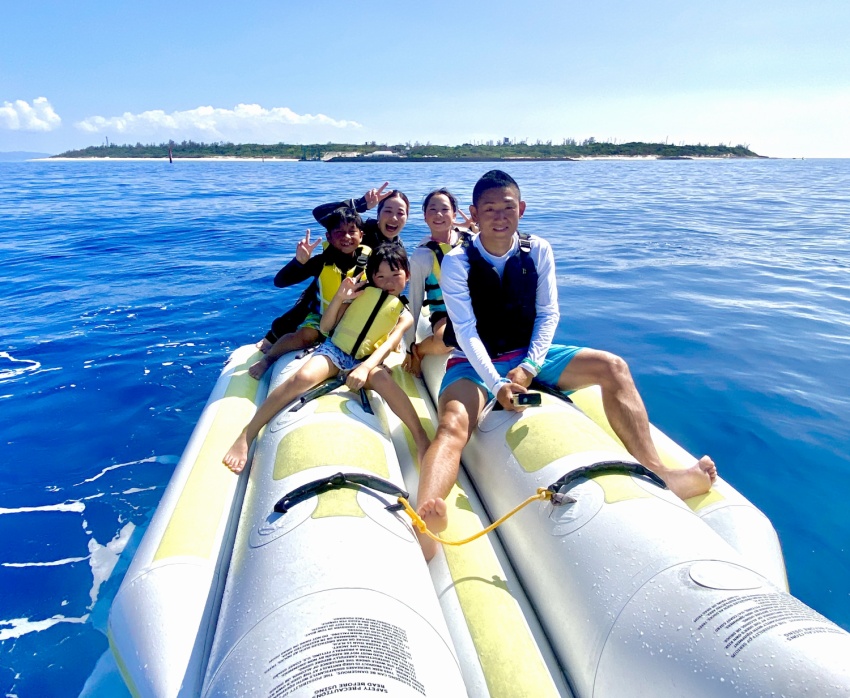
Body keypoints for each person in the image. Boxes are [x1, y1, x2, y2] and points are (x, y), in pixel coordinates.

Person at [415, 170, 717, 560]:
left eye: (507, 207)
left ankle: (657, 471)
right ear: (473, 212)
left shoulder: (537, 249)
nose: (499, 216)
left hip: (528, 354)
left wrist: (527, 367)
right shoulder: (458, 262)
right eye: (489, 209)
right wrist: (496, 384)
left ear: (521, 209)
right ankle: (427, 519)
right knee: (452, 425)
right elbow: (466, 331)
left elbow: (548, 314)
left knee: (613, 367)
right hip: (476, 362)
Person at [224, 243, 430, 473]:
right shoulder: (358, 295)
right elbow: (325, 326)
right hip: (335, 351)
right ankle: (248, 434)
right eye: (380, 276)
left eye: (395, 275)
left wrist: (365, 368)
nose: (388, 282)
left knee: (385, 383)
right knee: (301, 378)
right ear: (372, 277)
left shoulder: (405, 315)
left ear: (408, 275)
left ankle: (421, 439)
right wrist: (341, 298)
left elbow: (389, 346)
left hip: (367, 360)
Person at [250, 207, 371, 379]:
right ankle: (268, 359)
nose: (346, 237)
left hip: (354, 321)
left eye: (352, 232)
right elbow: (280, 282)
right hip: (321, 316)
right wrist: (298, 262)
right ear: (328, 236)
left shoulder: (371, 263)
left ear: (361, 235)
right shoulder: (321, 262)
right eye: (339, 232)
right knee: (306, 336)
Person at [402, 188, 476, 377]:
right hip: (444, 314)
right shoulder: (421, 255)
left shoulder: (472, 240)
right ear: (425, 216)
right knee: (447, 340)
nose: (439, 215)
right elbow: (415, 301)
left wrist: (476, 230)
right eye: (432, 210)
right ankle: (421, 349)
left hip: (475, 309)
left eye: (445, 209)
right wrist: (410, 348)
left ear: (454, 213)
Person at [312, 182, 410, 249]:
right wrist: (361, 204)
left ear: (406, 218)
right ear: (378, 214)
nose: (393, 218)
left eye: (400, 213)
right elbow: (320, 213)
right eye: (388, 211)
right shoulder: (360, 232)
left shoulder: (398, 245)